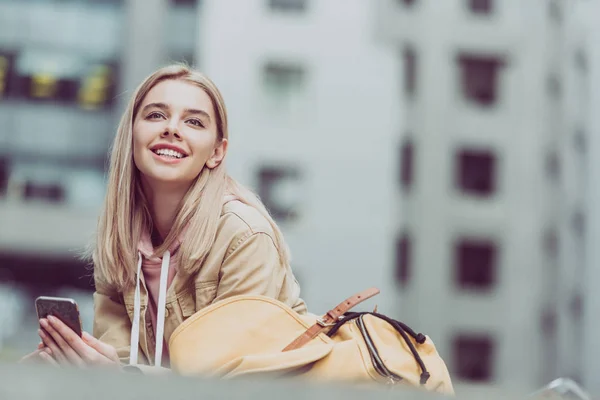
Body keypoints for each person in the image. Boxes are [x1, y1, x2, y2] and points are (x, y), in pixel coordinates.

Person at [23, 64, 307, 370]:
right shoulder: (120, 239)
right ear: (131, 134)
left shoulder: (245, 237)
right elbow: (118, 364)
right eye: (156, 115)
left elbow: (232, 383)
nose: (172, 129)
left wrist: (122, 377)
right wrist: (76, 364)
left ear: (216, 152)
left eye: (194, 122)